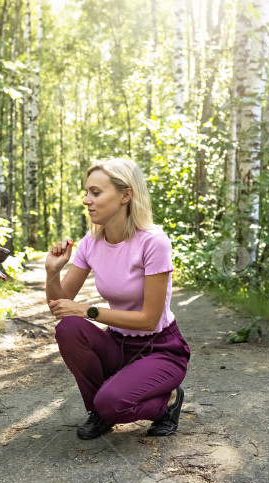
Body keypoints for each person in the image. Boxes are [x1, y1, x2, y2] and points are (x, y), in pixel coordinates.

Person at [46, 158, 191, 440]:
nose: (87, 200)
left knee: (113, 403)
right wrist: (52, 272)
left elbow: (149, 320)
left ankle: (169, 402)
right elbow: (59, 306)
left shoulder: (153, 242)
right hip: (118, 344)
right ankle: (99, 411)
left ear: (126, 195)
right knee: (68, 328)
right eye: (86, 192)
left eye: (96, 193)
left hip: (159, 349)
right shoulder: (91, 243)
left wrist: (88, 310)